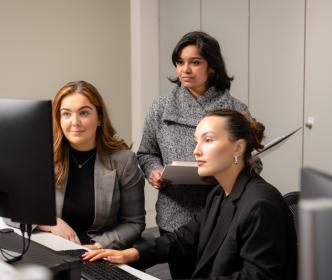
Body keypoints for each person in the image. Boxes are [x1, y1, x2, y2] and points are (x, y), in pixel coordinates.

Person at [82, 109, 298, 280]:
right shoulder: (219, 193)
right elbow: (183, 238)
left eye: (208, 140)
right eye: (197, 141)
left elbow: (257, 277)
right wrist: (132, 253)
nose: (196, 151)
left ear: (238, 148)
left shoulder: (261, 204)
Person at [137, 31, 255, 278]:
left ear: (212, 67)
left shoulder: (235, 109)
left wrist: (223, 173)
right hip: (175, 215)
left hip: (222, 211)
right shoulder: (160, 107)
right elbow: (146, 152)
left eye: (195, 62)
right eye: (180, 62)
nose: (185, 69)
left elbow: (253, 162)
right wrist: (155, 171)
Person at [37, 80, 146, 250]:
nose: (75, 122)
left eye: (84, 113)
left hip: (99, 253)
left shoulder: (124, 161)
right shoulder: (43, 157)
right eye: (66, 114)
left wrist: (98, 247)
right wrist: (50, 223)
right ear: (59, 119)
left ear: (100, 118)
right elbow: (9, 211)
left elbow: (133, 222)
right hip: (52, 251)